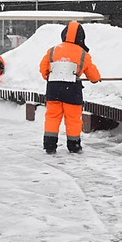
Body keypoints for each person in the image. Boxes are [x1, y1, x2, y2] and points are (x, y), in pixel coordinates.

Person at [39, 21, 101, 154]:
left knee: (52, 116)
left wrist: (51, 77)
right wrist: (96, 79)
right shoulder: (83, 54)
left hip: (53, 89)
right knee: (73, 119)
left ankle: (50, 144)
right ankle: (74, 145)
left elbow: (43, 69)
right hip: (72, 91)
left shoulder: (53, 50)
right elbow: (93, 76)